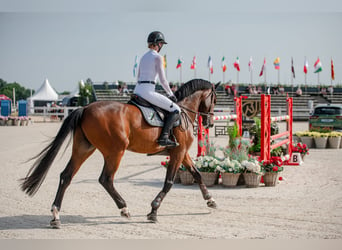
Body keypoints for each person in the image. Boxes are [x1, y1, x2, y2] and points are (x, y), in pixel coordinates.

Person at [134, 31, 180, 147]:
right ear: (157, 44)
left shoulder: (143, 57)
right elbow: (163, 79)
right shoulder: (158, 57)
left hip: (137, 90)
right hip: (148, 91)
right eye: (161, 44)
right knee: (176, 110)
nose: (161, 47)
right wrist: (170, 94)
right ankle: (164, 137)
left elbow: (138, 76)